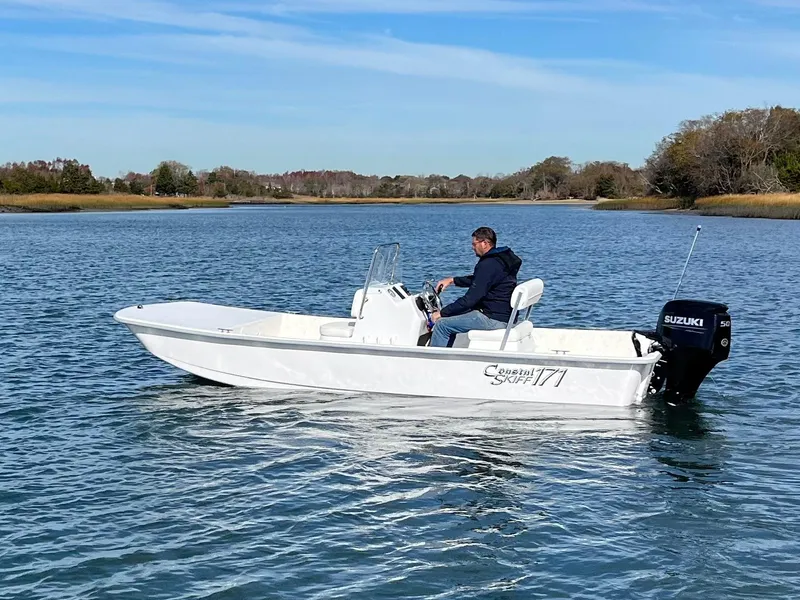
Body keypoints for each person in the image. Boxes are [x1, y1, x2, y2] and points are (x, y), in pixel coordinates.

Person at [430, 227, 522, 347]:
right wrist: (453, 280)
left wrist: (442, 313)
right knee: (453, 314)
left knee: (442, 325)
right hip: (505, 315)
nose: (472, 247)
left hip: (493, 318)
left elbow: (470, 300)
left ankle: (438, 362)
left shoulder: (488, 265)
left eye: (474, 244)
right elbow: (481, 280)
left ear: (485, 243)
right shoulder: (501, 260)